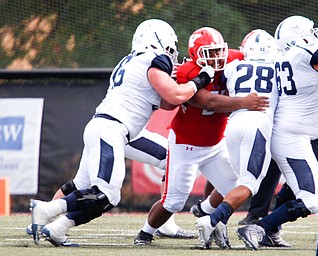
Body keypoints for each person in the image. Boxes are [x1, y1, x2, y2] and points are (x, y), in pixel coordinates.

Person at [29, 18, 217, 247]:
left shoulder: (131, 61)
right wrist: (200, 80)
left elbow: (167, 103)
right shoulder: (154, 59)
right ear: (159, 40)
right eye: (170, 46)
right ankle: (46, 210)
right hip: (113, 129)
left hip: (121, 131)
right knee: (106, 195)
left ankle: (57, 227)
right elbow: (175, 96)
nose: (172, 52)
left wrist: (180, 82)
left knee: (170, 156)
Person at [133, 27, 269, 249]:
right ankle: (146, 232)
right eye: (210, 53)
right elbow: (209, 102)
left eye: (218, 51)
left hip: (215, 144)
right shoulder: (188, 72)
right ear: (196, 55)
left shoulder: (233, 58)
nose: (217, 57)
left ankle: (205, 211)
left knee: (232, 187)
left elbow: (252, 55)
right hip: (186, 145)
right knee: (173, 201)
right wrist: (244, 102)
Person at [237, 15, 318, 251]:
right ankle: (260, 227)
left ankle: (270, 230)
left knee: (304, 184)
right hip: (293, 136)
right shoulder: (306, 53)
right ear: (301, 35)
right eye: (311, 32)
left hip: (304, 132)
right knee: (313, 201)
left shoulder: (283, 56)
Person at [25, 128, 194, 239]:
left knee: (81, 183)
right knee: (172, 158)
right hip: (122, 128)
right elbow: (171, 97)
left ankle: (41, 221)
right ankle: (165, 223)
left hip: (101, 124)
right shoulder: (151, 72)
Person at [194, 29, 279, 249]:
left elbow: (212, 79)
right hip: (258, 125)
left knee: (236, 180)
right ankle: (210, 220)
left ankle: (215, 218)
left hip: (233, 125)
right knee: (249, 185)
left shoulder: (232, 66)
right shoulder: (280, 68)